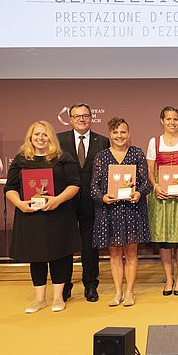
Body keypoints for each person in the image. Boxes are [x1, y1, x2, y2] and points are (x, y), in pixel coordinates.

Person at [5, 121, 81, 313]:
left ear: (51, 138)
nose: (40, 138)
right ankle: (39, 299)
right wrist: (20, 204)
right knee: (36, 257)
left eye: (44, 134)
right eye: (37, 134)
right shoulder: (21, 159)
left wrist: (57, 200)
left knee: (59, 256)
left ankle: (57, 298)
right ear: (30, 137)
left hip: (58, 214)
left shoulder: (63, 158)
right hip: (31, 217)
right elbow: (10, 188)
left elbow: (74, 185)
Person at [91, 117, 151, 307]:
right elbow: (93, 186)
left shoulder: (137, 154)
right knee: (115, 253)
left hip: (132, 209)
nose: (119, 136)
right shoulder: (101, 156)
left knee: (131, 252)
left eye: (123, 132)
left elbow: (147, 183)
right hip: (110, 211)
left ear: (129, 133)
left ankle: (130, 292)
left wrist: (139, 193)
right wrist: (103, 197)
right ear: (110, 134)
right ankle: (117, 292)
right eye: (115, 132)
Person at [57, 103, 109, 303]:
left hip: (92, 201)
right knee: (66, 245)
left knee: (89, 246)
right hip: (65, 201)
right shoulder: (59, 141)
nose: (81, 119)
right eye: (77, 116)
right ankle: (64, 286)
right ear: (70, 119)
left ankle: (90, 285)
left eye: (85, 115)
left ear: (91, 118)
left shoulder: (102, 141)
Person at [146, 106, 178, 296]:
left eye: (175, 119)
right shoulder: (154, 142)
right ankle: (168, 278)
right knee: (165, 240)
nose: (172, 123)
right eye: (168, 119)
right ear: (162, 121)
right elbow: (150, 169)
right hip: (162, 193)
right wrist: (155, 186)